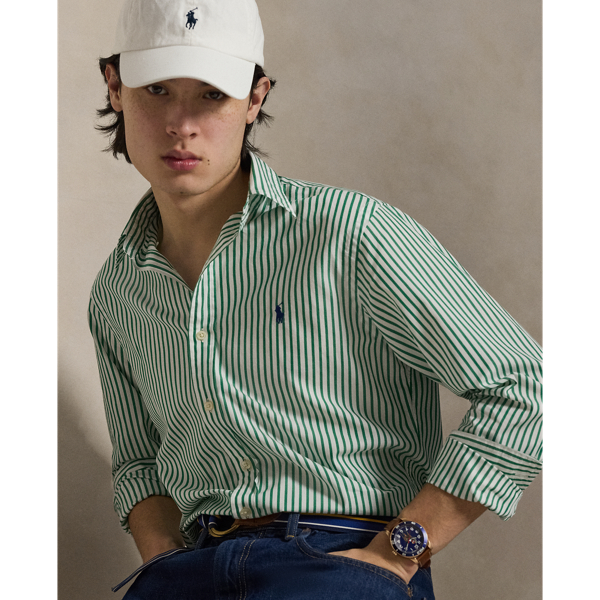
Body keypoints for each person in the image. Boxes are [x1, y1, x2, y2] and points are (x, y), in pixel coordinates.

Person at [88, 0, 542, 598]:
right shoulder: (117, 290)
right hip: (190, 567)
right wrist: (164, 562)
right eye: (157, 90)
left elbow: (524, 386)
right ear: (115, 87)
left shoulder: (353, 234)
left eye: (212, 95)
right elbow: (138, 464)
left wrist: (397, 554)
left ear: (255, 99)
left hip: (339, 559)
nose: (182, 124)